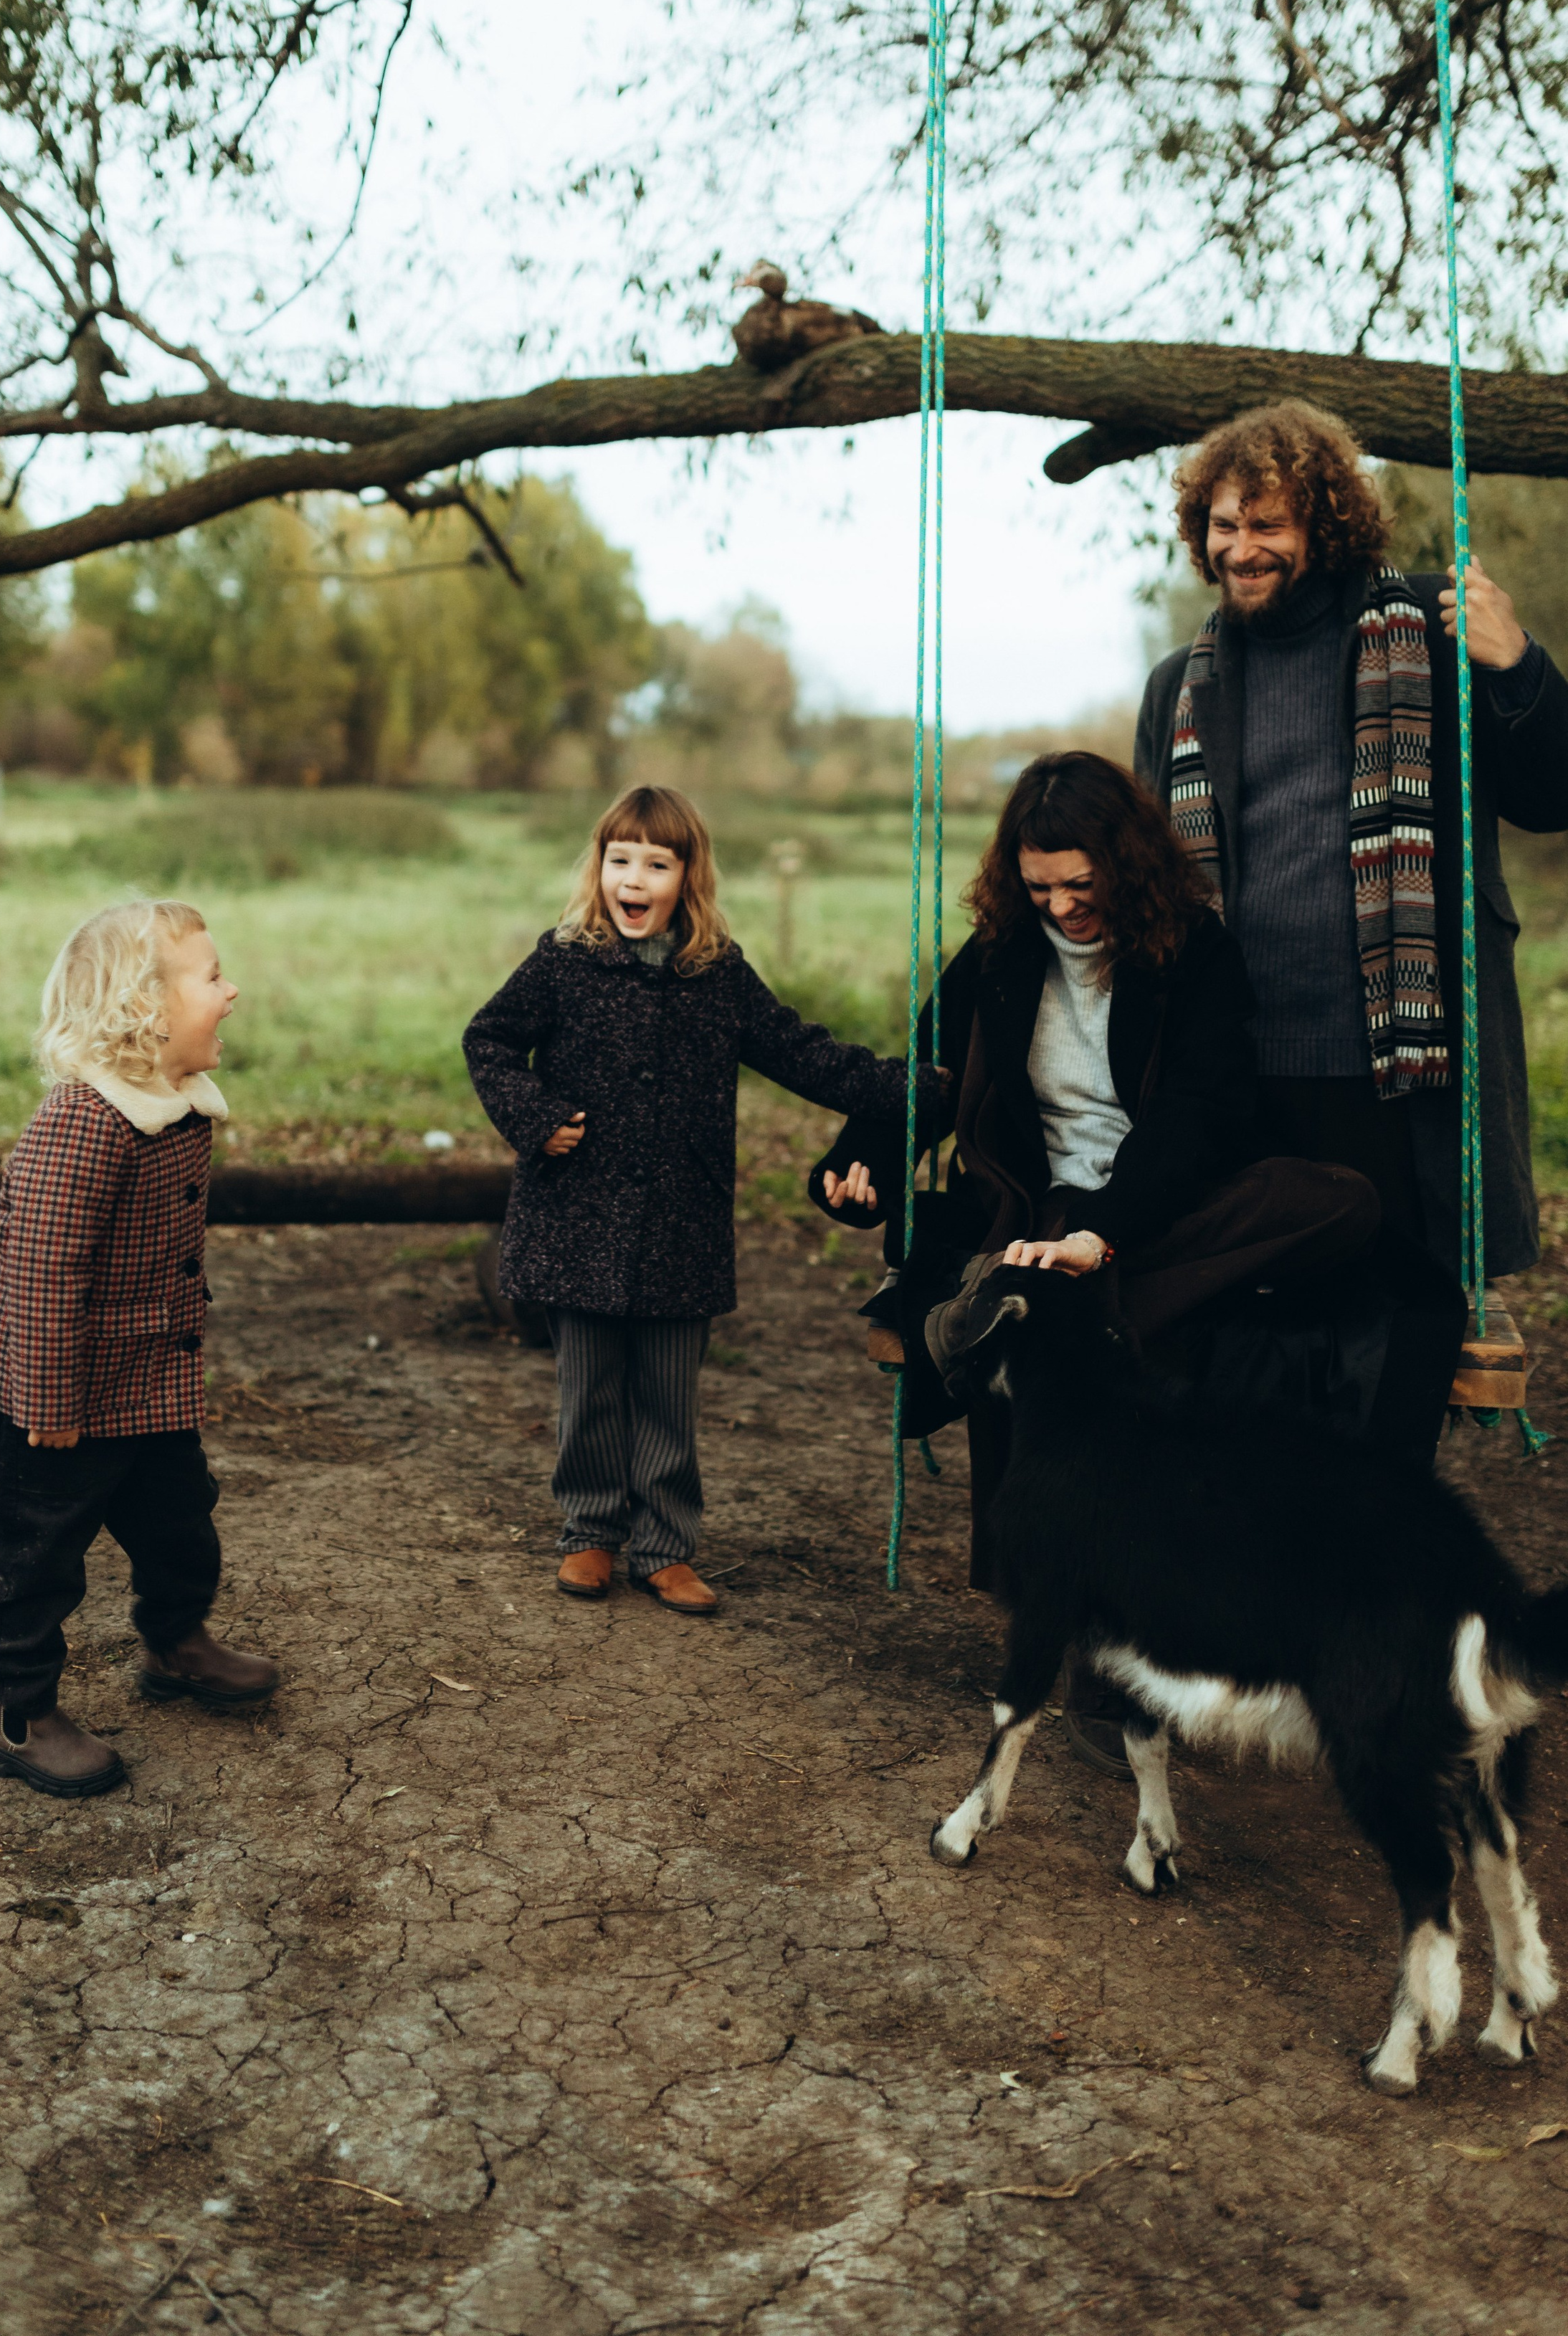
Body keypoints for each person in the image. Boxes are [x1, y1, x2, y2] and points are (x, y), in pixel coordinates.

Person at [809, 751, 1381, 1769]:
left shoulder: (1191, 950)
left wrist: (1103, 1233)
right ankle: (1080, 1626)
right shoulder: (999, 951)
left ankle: (1044, 1288)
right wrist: (855, 1161)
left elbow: (1203, 1115)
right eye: (1041, 888)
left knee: (1337, 1201)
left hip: (1153, 1209)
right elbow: (927, 1071)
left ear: (1128, 863)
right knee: (1079, 1340)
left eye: (1083, 884)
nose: (1064, 907)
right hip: (1032, 1206)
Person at [1135, 399, 1568, 1446]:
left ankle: (1374, 1574)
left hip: (1398, 1065)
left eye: (1269, 525)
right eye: (1225, 526)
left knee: (1391, 1345)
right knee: (1245, 1341)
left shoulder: (1429, 630)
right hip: (1241, 1062)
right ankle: (1259, 1575)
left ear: (1323, 524)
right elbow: (1147, 879)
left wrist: (1518, 668)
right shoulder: (1177, 688)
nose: (1244, 548)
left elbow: (1552, 794)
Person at [463, 783, 918, 1618]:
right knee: (590, 1386)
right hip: (580, 1217)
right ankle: (590, 1531)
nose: (633, 878)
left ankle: (666, 1546)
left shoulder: (718, 974)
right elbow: (486, 1038)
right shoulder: (563, 961)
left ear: (687, 876)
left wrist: (911, 1087)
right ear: (599, 868)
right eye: (619, 859)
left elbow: (801, 1052)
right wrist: (535, 1117)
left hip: (683, 1218)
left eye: (656, 863)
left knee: (669, 1393)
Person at [0, 899, 279, 1799]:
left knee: (181, 1525)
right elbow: (36, 1272)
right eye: (213, 977)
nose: (231, 991)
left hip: (145, 1394)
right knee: (37, 1564)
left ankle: (177, 1642)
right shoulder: (85, 1122)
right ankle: (18, 1714)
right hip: (56, 1409)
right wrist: (46, 1406)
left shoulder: (172, 1109)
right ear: (145, 1007)